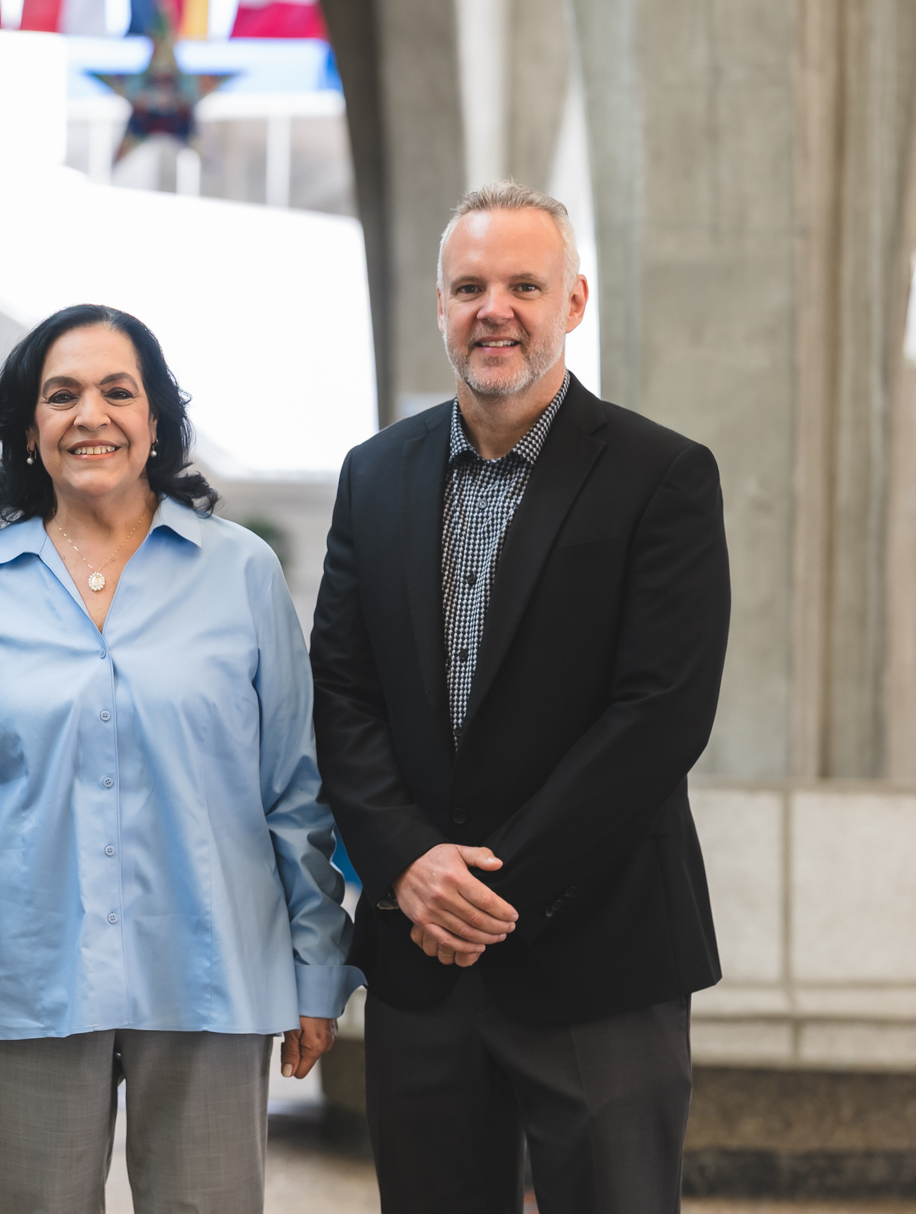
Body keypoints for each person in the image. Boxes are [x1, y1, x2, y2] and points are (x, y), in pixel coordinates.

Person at [311, 181, 731, 1212]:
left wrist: (486, 891)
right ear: (440, 306)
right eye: (468, 287)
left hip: (600, 953)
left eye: (523, 286)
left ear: (573, 302)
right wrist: (408, 863)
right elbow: (343, 692)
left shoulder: (660, 475)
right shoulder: (375, 475)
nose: (492, 310)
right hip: (421, 961)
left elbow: (660, 713)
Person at [0, 305, 363, 1214]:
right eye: (61, 395)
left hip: (211, 973)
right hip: (27, 979)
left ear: (156, 421)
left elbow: (295, 794)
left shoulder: (242, 573)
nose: (91, 415)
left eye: (118, 391)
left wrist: (316, 968)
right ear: (28, 429)